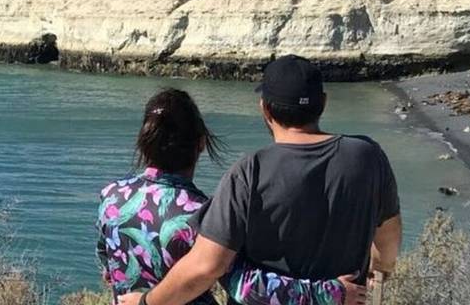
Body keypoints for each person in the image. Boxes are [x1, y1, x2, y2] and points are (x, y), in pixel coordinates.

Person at [119, 55, 402, 305]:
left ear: (265, 109)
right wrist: (377, 273)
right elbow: (387, 242)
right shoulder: (369, 156)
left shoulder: (249, 171)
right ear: (323, 104)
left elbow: (206, 266)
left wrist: (147, 302)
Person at [98, 88, 362, 305]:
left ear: (144, 142)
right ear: (201, 143)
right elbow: (247, 287)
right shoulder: (201, 215)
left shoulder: (110, 197)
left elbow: (107, 267)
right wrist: (332, 293)